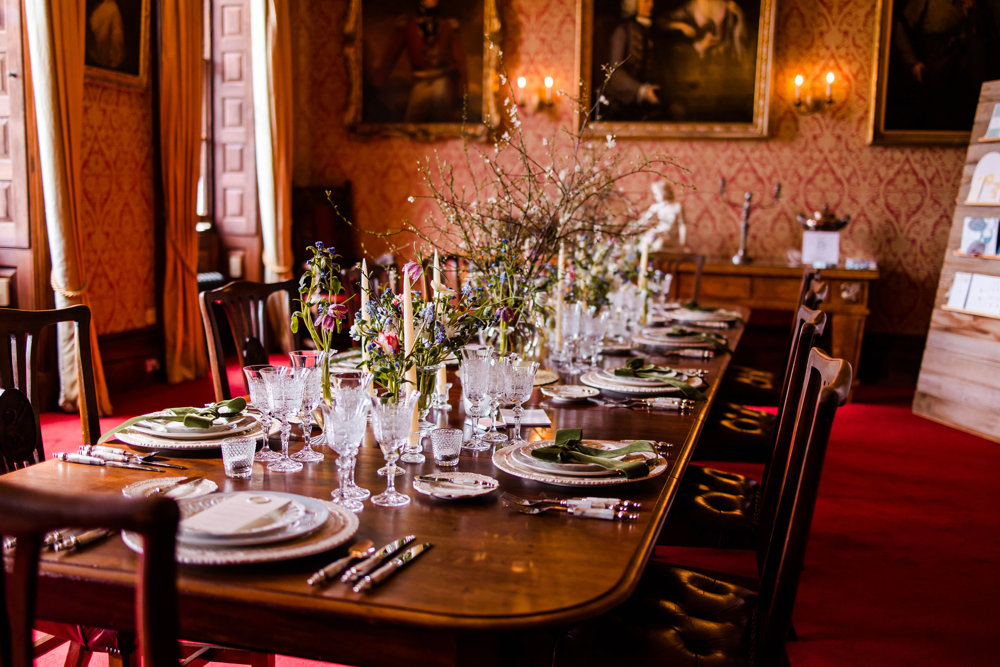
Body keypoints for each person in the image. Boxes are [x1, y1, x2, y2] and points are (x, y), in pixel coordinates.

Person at [371, 0, 468, 123]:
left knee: (443, 125)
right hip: (420, 83)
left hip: (443, 83)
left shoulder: (448, 26)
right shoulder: (407, 26)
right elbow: (390, 58)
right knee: (412, 124)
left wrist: (461, 94)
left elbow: (460, 62)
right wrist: (376, 85)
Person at [604, 0, 661, 120]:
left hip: (648, 109)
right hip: (621, 106)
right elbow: (615, 73)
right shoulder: (623, 31)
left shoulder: (654, 32)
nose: (651, 5)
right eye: (645, 1)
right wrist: (642, 91)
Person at [639, 180, 686, 251]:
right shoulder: (656, 206)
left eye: (656, 194)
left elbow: (682, 226)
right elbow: (644, 220)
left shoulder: (677, 206)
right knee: (644, 241)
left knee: (659, 244)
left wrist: (682, 244)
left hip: (668, 237)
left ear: (664, 193)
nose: (655, 196)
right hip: (657, 233)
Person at [87, 0, 126, 69]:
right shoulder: (96, 7)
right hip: (95, 56)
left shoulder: (112, 8)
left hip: (107, 58)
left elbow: (117, 36)